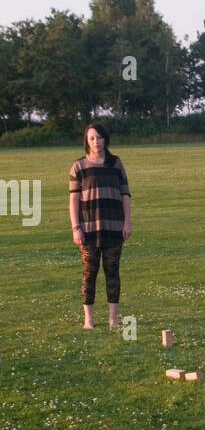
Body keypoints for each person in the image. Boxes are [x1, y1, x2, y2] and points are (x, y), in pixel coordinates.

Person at [69, 123, 132, 330]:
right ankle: (89, 319)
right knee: (89, 273)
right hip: (89, 230)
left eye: (99, 137)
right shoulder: (79, 166)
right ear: (87, 141)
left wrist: (127, 222)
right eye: (92, 138)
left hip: (114, 227)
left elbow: (125, 195)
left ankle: (113, 318)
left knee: (112, 272)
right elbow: (73, 201)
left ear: (106, 139)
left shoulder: (116, 164)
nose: (96, 141)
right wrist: (76, 227)